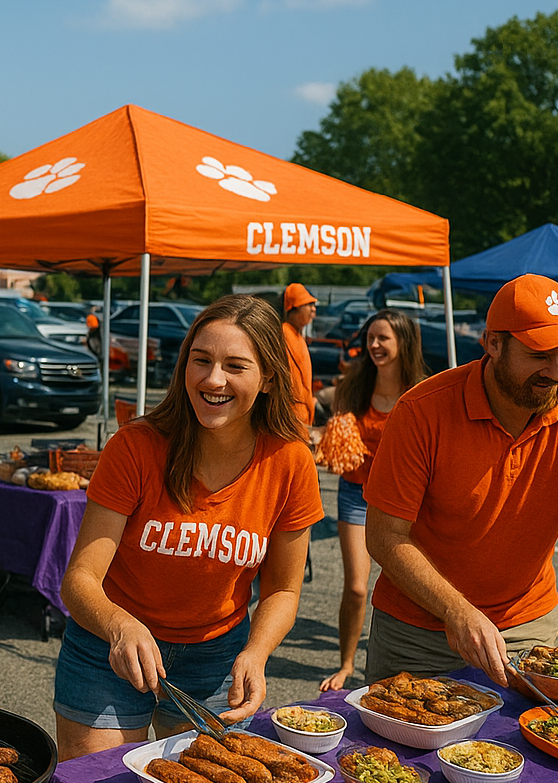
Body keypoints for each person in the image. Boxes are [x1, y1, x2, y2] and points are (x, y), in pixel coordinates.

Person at [55, 294, 323, 760]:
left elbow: (283, 590)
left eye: (235, 366)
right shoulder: (136, 446)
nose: (213, 379)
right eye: (201, 360)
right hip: (108, 645)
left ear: (268, 379)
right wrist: (119, 626)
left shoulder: (290, 460)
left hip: (218, 656)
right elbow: (80, 581)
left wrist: (256, 653)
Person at [364, 273, 558, 695]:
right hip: (416, 634)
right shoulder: (421, 412)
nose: (555, 372)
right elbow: (385, 536)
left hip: (526, 630)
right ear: (493, 344)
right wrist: (456, 611)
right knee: (400, 755)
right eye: (540, 355)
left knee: (525, 748)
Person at [319, 310, 428, 692]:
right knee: (357, 587)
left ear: (404, 343)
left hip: (406, 502)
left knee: (404, 583)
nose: (375, 345)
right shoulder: (354, 385)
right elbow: (337, 439)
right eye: (371, 338)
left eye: (383, 338)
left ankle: (410, 657)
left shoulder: (421, 392)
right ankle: (347, 663)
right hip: (356, 494)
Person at [281, 283, 317, 428]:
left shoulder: (298, 335)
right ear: (294, 307)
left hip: (302, 415)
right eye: (308, 304)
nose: (313, 309)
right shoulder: (283, 334)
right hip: (291, 416)